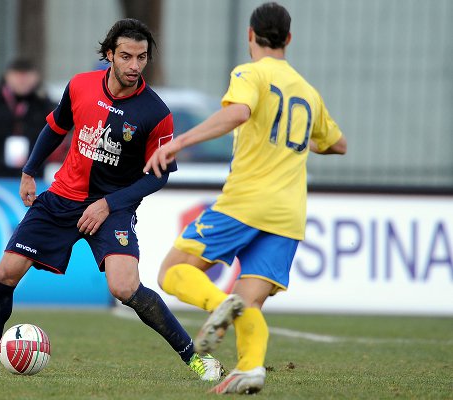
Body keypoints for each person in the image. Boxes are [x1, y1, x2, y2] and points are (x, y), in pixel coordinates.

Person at [0, 18, 223, 381]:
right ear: (109, 54)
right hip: (61, 197)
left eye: (142, 57)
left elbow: (159, 174)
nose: (134, 66)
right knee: (5, 273)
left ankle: (196, 359)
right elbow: (55, 127)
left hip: (112, 207)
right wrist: (30, 169)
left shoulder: (156, 113)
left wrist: (109, 204)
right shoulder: (81, 85)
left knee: (125, 286)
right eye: (126, 56)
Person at [144, 2, 347, 395]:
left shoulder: (249, 73)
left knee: (172, 271)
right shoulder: (308, 91)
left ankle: (218, 304)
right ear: (289, 39)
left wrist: (179, 142)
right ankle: (250, 368)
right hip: (288, 215)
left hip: (246, 201)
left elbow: (238, 113)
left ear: (250, 36)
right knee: (249, 301)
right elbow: (338, 144)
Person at [0, 57, 61, 178]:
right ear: (7, 76)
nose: (22, 80)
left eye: (27, 76)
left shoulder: (43, 104)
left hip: (31, 177)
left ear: (36, 77)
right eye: (17, 75)